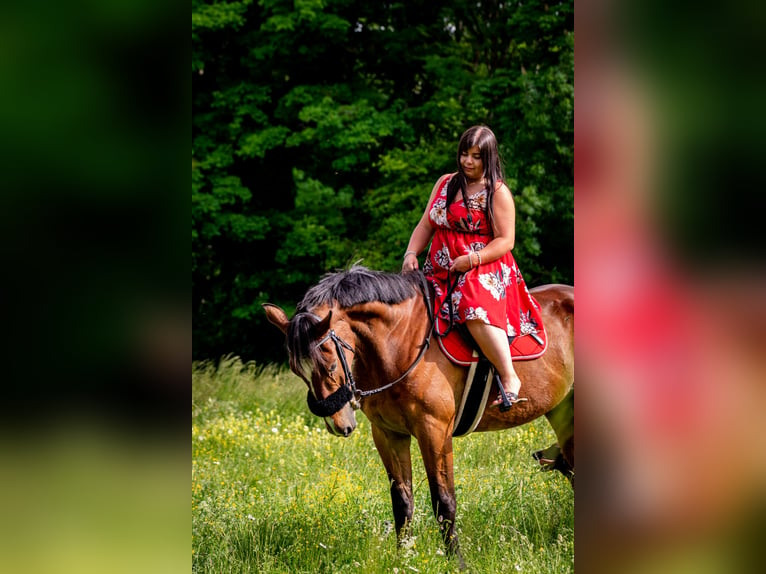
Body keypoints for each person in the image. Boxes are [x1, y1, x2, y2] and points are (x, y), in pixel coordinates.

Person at [402, 125, 540, 408]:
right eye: (464, 154)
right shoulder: (445, 183)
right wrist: (410, 253)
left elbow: (506, 240)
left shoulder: (497, 192)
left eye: (476, 156)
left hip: (483, 265)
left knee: (472, 307)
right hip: (439, 263)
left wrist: (471, 260)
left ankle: (509, 375)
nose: (467, 161)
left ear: (487, 157)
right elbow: (427, 222)